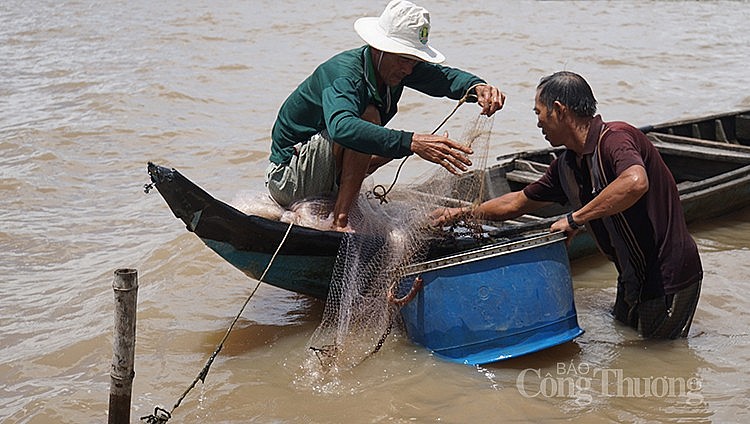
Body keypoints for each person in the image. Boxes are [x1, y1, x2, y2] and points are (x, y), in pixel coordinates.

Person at [432, 71, 703, 339]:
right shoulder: (568, 165)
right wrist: (462, 213)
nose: (537, 122)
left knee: (656, 360)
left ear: (559, 110)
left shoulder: (616, 139)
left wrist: (575, 219)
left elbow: (634, 182)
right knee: (629, 348)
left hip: (667, 273)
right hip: (632, 275)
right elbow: (516, 203)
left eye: (538, 112)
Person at [266, 0, 505, 232]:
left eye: (414, 61)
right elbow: (342, 127)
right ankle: (340, 221)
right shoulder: (345, 75)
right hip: (290, 178)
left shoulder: (397, 68)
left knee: (385, 143)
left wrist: (477, 88)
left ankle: (341, 201)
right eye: (404, 60)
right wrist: (412, 142)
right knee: (369, 120)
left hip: (326, 172)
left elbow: (442, 79)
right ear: (380, 49)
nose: (409, 69)